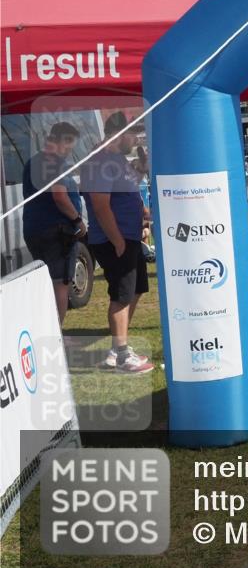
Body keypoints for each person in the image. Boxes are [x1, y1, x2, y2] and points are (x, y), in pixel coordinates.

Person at [79, 111, 154, 374]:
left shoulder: (118, 160)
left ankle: (117, 349)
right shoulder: (100, 161)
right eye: (133, 134)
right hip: (114, 239)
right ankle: (122, 355)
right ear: (118, 134)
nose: (136, 140)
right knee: (121, 295)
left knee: (135, 290)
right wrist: (118, 241)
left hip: (129, 236)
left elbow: (129, 189)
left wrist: (143, 213)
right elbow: (100, 205)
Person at [21, 122, 87, 325]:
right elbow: (59, 196)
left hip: (34, 229)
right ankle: (56, 332)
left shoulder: (33, 162)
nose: (69, 152)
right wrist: (78, 220)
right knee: (60, 284)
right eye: (68, 146)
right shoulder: (54, 162)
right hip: (56, 231)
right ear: (60, 140)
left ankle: (46, 328)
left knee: (47, 283)